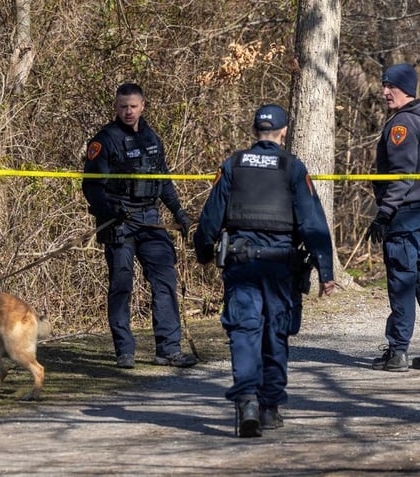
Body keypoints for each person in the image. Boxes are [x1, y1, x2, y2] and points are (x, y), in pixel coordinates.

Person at [193, 103, 336, 438]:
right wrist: (325, 271)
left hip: (241, 265)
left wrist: (203, 252)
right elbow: (313, 224)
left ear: (254, 131)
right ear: (284, 132)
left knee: (245, 332)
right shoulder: (293, 168)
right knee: (276, 333)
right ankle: (270, 408)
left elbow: (211, 217)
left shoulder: (233, 165)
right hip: (280, 269)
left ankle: (247, 402)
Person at [82, 82, 197, 369]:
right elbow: (91, 187)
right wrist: (110, 209)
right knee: (121, 285)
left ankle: (168, 350)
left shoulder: (151, 138)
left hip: (150, 221)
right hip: (118, 223)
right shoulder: (104, 140)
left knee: (164, 281)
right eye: (123, 106)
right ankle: (124, 351)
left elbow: (163, 180)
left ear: (143, 106)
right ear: (115, 107)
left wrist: (178, 212)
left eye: (133, 106)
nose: (128, 111)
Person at [365, 63, 420, 373]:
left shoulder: (403, 124)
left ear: (407, 89)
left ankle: (398, 352)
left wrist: (384, 213)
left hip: (406, 213)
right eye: (384, 85)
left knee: (402, 279)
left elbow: (402, 175)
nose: (385, 92)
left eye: (391, 86)